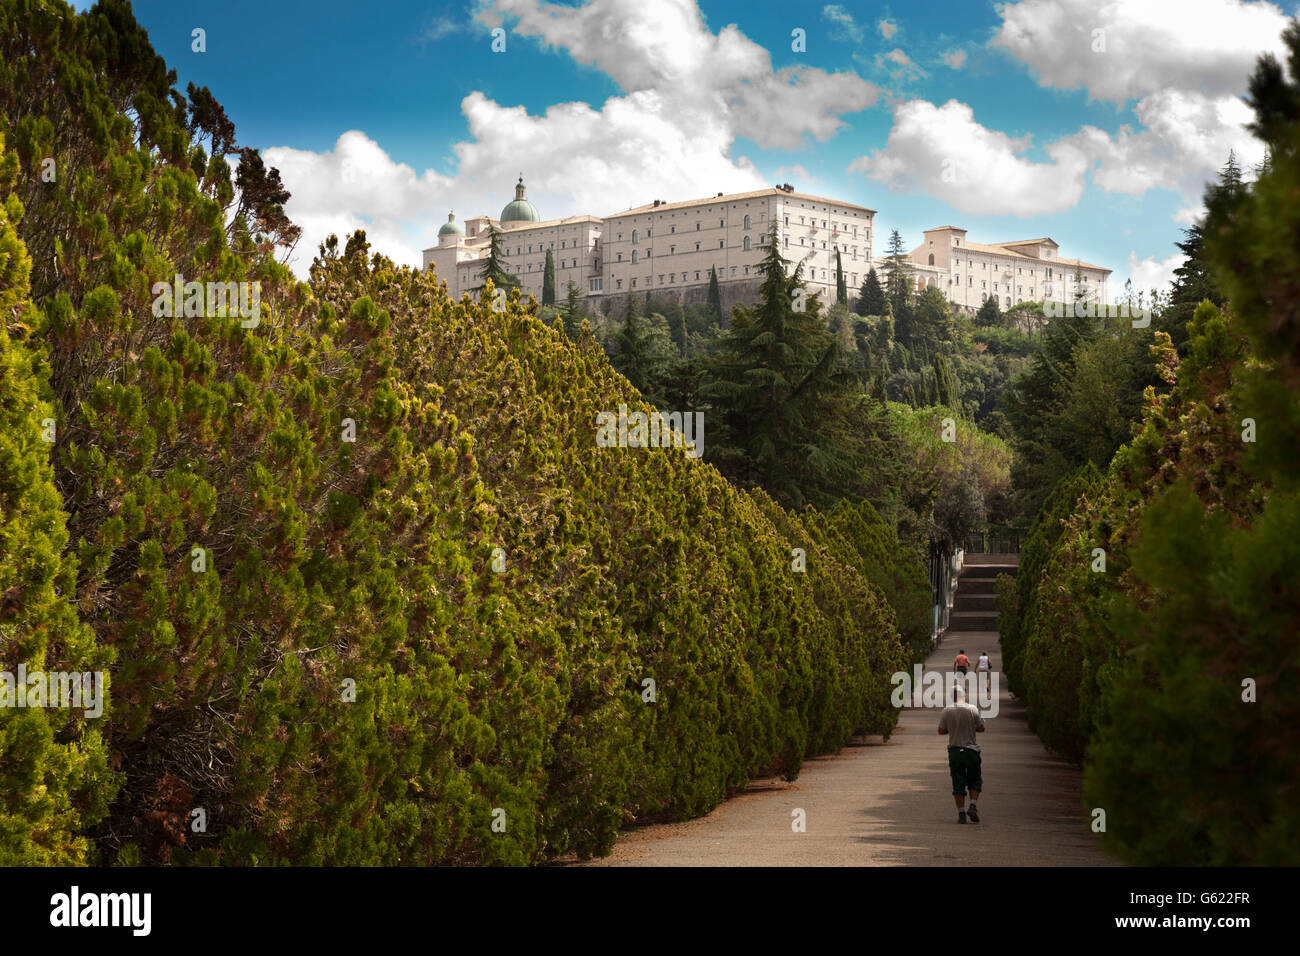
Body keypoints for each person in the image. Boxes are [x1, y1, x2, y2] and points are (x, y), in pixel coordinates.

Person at [938, 682, 985, 823]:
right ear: (964, 695)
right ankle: (972, 805)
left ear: (952, 696)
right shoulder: (972, 709)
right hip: (971, 751)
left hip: (955, 752)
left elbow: (941, 730)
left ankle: (961, 814)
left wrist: (952, 729)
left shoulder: (946, 711)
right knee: (975, 780)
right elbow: (981, 728)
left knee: (957, 782)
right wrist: (971, 728)